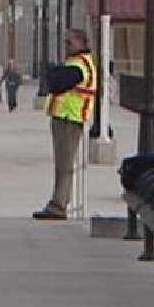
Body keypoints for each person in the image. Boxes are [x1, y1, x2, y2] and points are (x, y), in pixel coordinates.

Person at [33, 28, 96, 220]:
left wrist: (53, 74)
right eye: (65, 43)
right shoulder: (77, 63)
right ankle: (58, 202)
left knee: (64, 164)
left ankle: (58, 205)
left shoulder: (79, 65)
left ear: (82, 43)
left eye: (70, 43)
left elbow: (56, 82)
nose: (66, 47)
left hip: (69, 118)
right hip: (66, 118)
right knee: (62, 164)